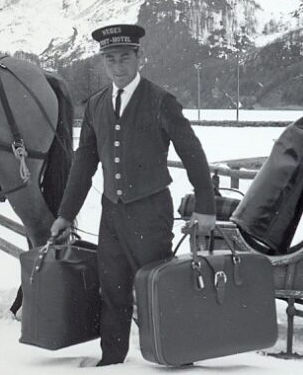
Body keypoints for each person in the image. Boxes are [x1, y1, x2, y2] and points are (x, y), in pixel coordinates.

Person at [50, 23, 216, 367]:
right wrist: (65, 214)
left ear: (139, 57)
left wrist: (205, 207)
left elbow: (193, 153)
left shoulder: (161, 102)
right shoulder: (96, 105)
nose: (118, 66)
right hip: (112, 214)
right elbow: (83, 166)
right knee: (112, 291)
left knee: (158, 289)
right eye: (110, 59)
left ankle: (174, 358)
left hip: (151, 211)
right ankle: (112, 361)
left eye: (124, 58)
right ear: (103, 62)